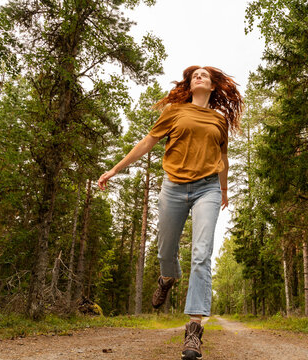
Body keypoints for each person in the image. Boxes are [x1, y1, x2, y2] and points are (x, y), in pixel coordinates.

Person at [97, 65, 243, 360]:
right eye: (194, 75)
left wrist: (224, 191)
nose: (198, 77)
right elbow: (147, 143)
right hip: (174, 187)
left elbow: (223, 157)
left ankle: (193, 330)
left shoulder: (219, 120)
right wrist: (115, 169)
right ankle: (167, 277)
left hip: (208, 189)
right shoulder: (174, 112)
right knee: (166, 250)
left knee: (201, 254)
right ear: (189, 85)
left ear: (213, 87)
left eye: (204, 75)